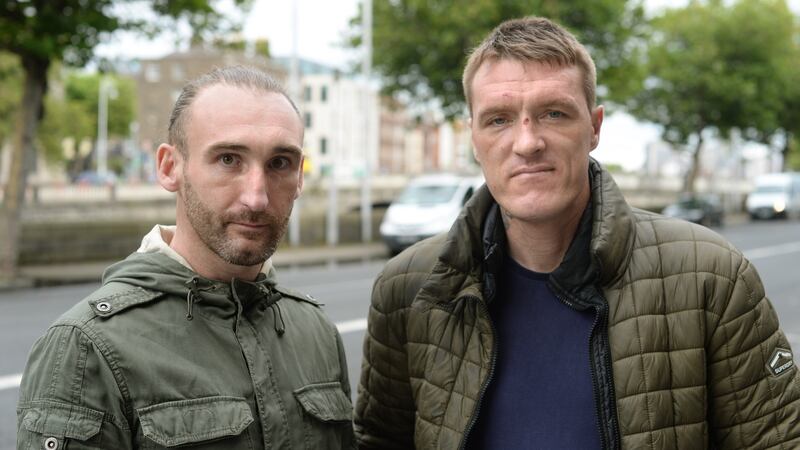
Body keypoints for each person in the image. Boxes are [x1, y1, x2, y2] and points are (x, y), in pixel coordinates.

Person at [354, 17, 800, 449]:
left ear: (595, 127)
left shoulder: (711, 277)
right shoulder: (407, 291)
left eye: (553, 113)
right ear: (473, 137)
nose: (527, 142)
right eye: (498, 119)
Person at [17, 66, 354, 449]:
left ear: (299, 178)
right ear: (169, 167)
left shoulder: (315, 331)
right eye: (229, 159)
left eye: (280, 163)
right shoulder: (86, 346)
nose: (256, 197)